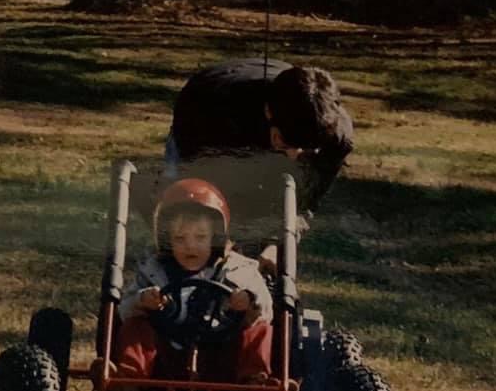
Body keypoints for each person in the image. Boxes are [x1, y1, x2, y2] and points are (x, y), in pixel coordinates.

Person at [97, 178, 290, 391]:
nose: (191, 246)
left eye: (200, 238)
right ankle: (126, 385)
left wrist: (249, 301)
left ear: (216, 239)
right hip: (165, 362)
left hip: (223, 362)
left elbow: (266, 312)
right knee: (137, 325)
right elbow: (123, 310)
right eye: (180, 239)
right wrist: (142, 301)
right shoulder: (153, 271)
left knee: (259, 330)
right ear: (167, 241)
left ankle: (254, 389)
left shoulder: (239, 270)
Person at [152, 58, 355, 273]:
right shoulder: (214, 116)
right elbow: (204, 189)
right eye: (284, 143)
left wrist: (279, 245)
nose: (294, 157)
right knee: (188, 221)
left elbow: (304, 204)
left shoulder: (336, 139)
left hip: (248, 122)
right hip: (203, 110)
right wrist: (224, 239)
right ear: (269, 112)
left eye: (305, 151)